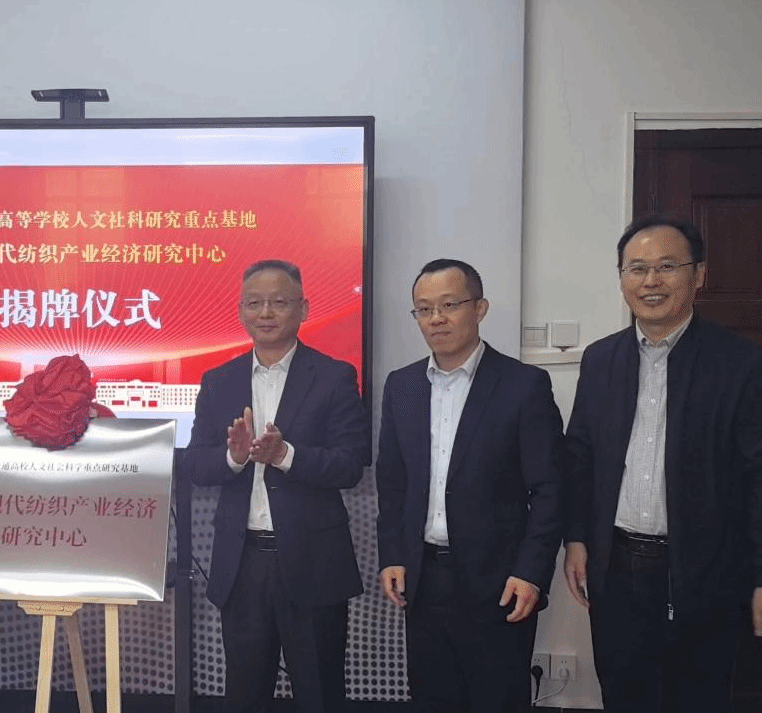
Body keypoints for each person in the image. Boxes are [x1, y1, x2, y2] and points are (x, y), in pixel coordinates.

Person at [562, 215, 762, 712]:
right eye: (637, 268)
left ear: (699, 275)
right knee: (622, 693)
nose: (651, 281)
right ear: (622, 278)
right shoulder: (601, 360)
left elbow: (757, 477)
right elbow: (580, 456)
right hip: (617, 568)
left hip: (706, 572)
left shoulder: (740, 364)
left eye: (667, 266)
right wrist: (577, 537)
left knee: (698, 697)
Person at [182, 259, 370, 713]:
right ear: (241, 311)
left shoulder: (334, 376)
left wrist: (284, 455)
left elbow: (351, 465)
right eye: (255, 303)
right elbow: (196, 464)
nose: (266, 312)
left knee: (320, 693)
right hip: (242, 563)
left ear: (303, 309)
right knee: (244, 694)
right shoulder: (218, 381)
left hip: (313, 562)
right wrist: (234, 456)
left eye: (279, 302)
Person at [375, 259, 562, 712]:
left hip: (500, 581)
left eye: (449, 305)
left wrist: (532, 571)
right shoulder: (402, 386)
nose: (436, 318)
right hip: (424, 579)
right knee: (432, 698)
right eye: (424, 309)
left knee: (497, 699)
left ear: (480, 308)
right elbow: (393, 484)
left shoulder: (523, 385)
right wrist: (394, 554)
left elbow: (551, 488)